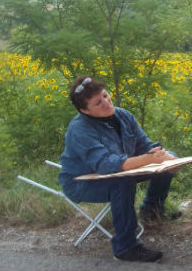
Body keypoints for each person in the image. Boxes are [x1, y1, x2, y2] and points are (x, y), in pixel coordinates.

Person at [59, 76, 181, 263]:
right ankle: (126, 247)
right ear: (85, 110)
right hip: (82, 182)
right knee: (121, 182)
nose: (107, 103)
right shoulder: (80, 129)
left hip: (120, 170)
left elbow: (144, 146)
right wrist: (149, 158)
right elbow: (106, 165)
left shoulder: (123, 116)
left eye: (106, 96)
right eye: (98, 103)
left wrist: (161, 156)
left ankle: (151, 210)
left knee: (167, 161)